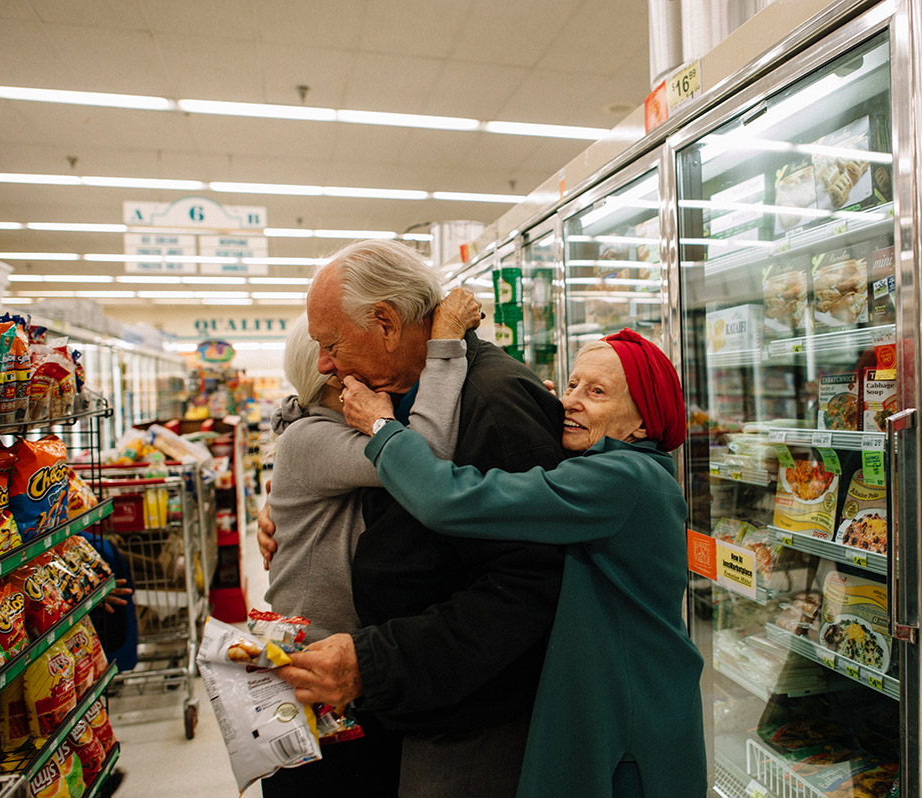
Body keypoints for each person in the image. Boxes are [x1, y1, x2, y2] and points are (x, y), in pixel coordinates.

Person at [322, 327, 707, 798]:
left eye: (598, 392)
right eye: (571, 385)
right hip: (627, 696)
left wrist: (383, 430)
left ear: (643, 424)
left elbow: (453, 500)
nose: (571, 402)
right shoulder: (622, 469)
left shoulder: (621, 479)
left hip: (630, 713)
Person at [260, 239, 566, 798]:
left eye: (330, 345)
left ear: (385, 323)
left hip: (468, 718)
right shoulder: (403, 391)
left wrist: (375, 663)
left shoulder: (491, 401)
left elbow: (528, 587)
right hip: (411, 702)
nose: (323, 364)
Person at [257, 288, 480, 796]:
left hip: (344, 669)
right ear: (334, 378)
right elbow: (423, 457)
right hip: (317, 683)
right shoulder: (314, 437)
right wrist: (445, 347)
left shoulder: (318, 434)